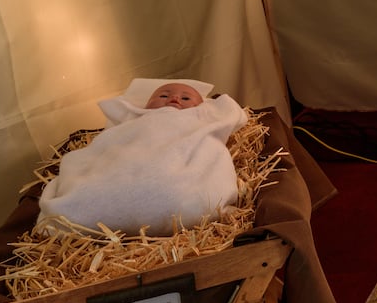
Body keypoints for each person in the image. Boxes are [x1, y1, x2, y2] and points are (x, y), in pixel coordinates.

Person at [36, 78, 247, 234]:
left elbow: (230, 115)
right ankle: (83, 207)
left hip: (176, 169)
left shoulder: (201, 118)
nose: (173, 98)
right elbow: (111, 146)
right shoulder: (133, 120)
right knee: (89, 179)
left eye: (186, 98)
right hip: (125, 168)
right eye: (163, 95)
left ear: (201, 106)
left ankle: (191, 205)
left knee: (186, 194)